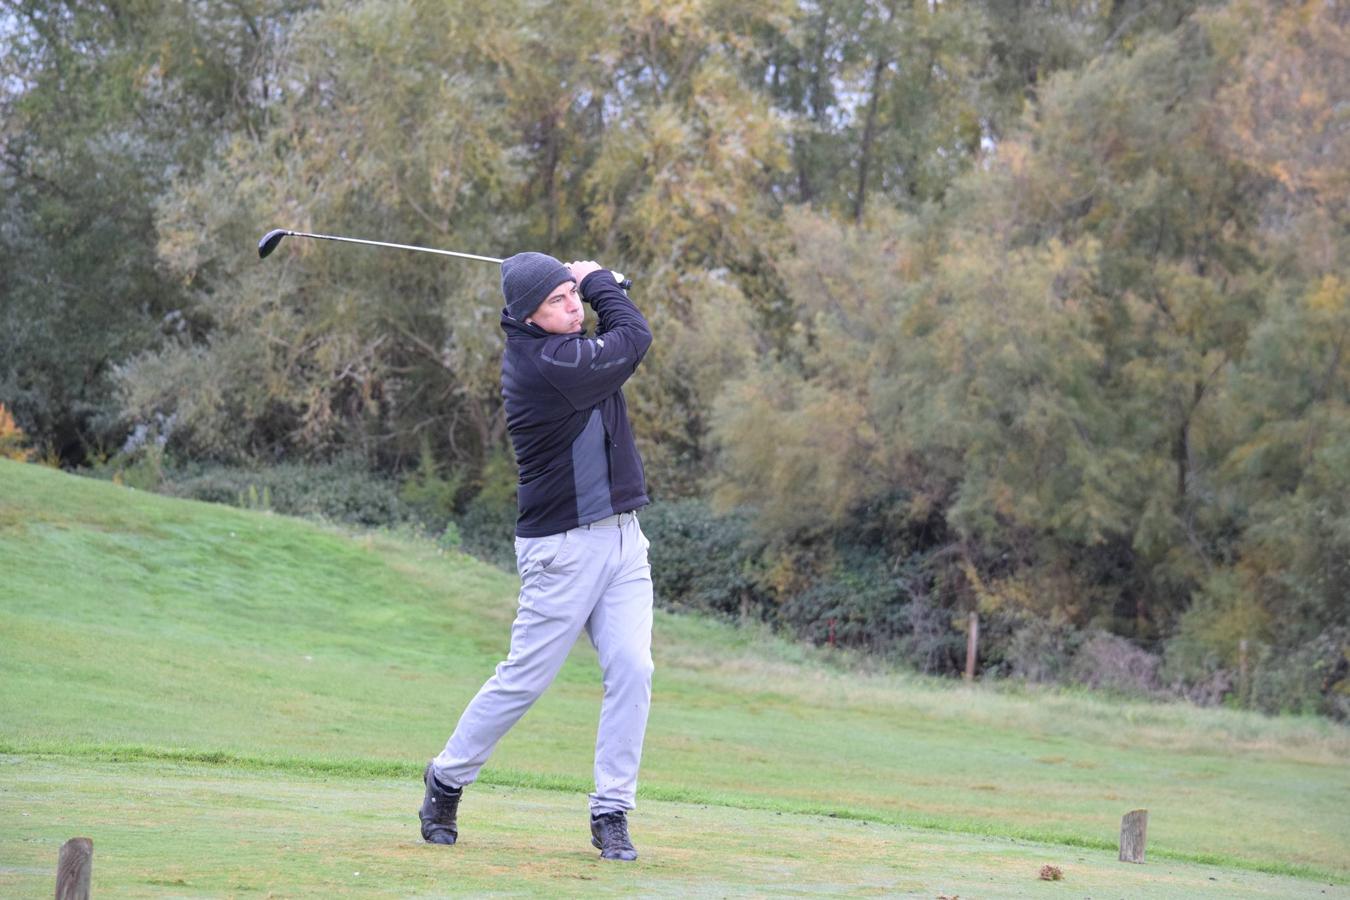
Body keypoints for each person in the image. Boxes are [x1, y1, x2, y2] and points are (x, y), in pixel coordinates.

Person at [418, 252, 655, 861]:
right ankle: (446, 778)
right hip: (563, 547)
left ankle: (612, 811)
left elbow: (614, 334)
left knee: (633, 669)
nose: (573, 307)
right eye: (558, 301)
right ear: (527, 315)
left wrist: (591, 287)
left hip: (625, 541)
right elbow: (633, 337)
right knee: (525, 679)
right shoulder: (545, 364)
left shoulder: (569, 346)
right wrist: (601, 281)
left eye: (571, 295)